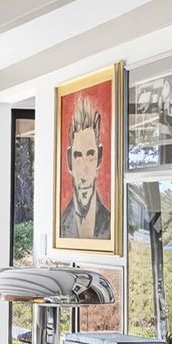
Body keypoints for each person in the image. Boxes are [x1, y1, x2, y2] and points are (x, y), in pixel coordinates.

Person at [58, 94, 113, 240]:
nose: (84, 175)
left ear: (99, 158)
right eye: (77, 157)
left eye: (90, 156)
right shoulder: (60, 226)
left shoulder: (111, 223)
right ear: (69, 160)